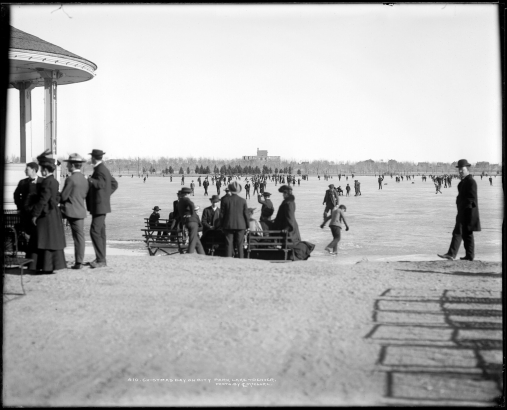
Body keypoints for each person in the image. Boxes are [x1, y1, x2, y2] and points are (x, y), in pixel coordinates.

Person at [27, 150, 67, 273]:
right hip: (53, 213)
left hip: (45, 215)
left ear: (44, 170)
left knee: (42, 239)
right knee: (52, 239)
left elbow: (43, 200)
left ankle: (44, 266)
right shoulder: (54, 181)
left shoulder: (46, 182)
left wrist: (35, 214)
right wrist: (54, 203)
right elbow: (57, 197)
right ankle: (50, 266)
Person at [438, 159, 481, 261]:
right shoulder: (462, 183)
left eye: (462, 169)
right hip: (463, 212)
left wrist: (463, 207)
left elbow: (471, 198)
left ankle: (451, 254)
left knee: (458, 232)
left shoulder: (471, 182)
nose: (460, 171)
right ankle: (469, 256)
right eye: (459, 169)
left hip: (468, 212)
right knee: (466, 234)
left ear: (467, 169)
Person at [85, 149, 119, 268]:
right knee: (100, 232)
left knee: (94, 231)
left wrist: (89, 179)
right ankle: (101, 258)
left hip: (99, 206)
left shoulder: (100, 170)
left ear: (94, 158)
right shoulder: (102, 169)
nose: (90, 159)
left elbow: (101, 184)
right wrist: (105, 195)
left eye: (91, 157)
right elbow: (114, 184)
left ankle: (100, 260)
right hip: (100, 205)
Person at [60, 153, 89, 269]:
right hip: (80, 211)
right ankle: (79, 261)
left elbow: (63, 197)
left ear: (72, 165)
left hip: (69, 211)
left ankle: (73, 261)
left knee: (69, 235)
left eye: (68, 164)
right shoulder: (84, 179)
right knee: (79, 237)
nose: (67, 166)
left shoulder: (70, 179)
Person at [272, 185, 314, 260]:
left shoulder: (288, 203)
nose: (283, 195)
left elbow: (290, 216)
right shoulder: (288, 202)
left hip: (289, 226)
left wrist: (288, 227)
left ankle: (291, 256)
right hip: (288, 225)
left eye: (283, 194)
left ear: (286, 194)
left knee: (292, 243)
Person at [13, 161, 42, 240]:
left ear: (33, 170)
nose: (25, 171)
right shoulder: (22, 182)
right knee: (26, 234)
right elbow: (16, 195)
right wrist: (20, 207)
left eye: (27, 169)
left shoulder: (43, 182)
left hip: (38, 214)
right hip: (25, 214)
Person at [220, 181, 250, 258]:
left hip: (228, 224)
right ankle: (240, 259)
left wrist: (221, 225)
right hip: (241, 225)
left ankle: (229, 259)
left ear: (230, 190)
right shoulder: (243, 200)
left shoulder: (225, 200)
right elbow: (246, 214)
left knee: (229, 244)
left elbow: (222, 214)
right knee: (240, 244)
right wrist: (248, 226)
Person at [177, 187, 205, 254]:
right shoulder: (186, 199)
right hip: (192, 222)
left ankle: (202, 255)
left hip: (186, 222)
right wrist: (192, 214)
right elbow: (191, 204)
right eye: (189, 193)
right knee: (192, 240)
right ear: (187, 194)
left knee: (196, 241)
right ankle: (189, 255)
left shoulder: (179, 202)